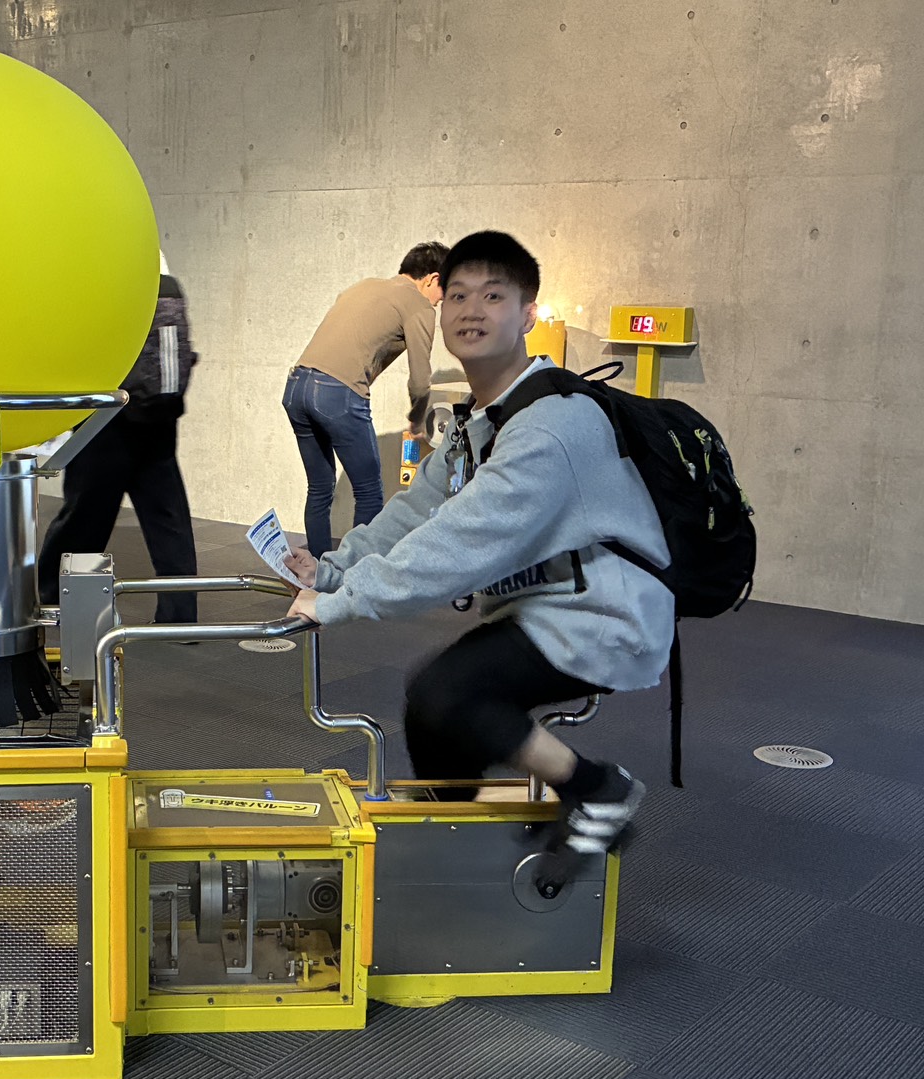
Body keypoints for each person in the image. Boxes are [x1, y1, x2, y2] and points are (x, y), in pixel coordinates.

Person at [283, 230, 674, 862]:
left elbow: (460, 543)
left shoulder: (551, 424)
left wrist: (339, 604)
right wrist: (333, 571)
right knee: (431, 709)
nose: (471, 310)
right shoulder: (481, 420)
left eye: (493, 296)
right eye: (458, 295)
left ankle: (599, 789)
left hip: (606, 612)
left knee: (450, 693)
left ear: (528, 314)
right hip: (550, 605)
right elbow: (414, 512)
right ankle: (454, 842)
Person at [37, 257, 200, 624]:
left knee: (84, 516)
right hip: (160, 417)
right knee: (169, 521)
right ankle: (180, 616)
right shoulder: (166, 282)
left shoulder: (104, 284)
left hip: (109, 418)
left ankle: (50, 599)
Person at [283, 241, 447, 557]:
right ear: (432, 278)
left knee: (319, 487)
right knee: (369, 492)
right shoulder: (418, 304)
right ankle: (355, 575)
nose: (442, 301)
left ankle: (316, 571)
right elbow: (419, 378)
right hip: (336, 393)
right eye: (445, 290)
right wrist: (418, 418)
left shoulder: (365, 286)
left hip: (296, 386)